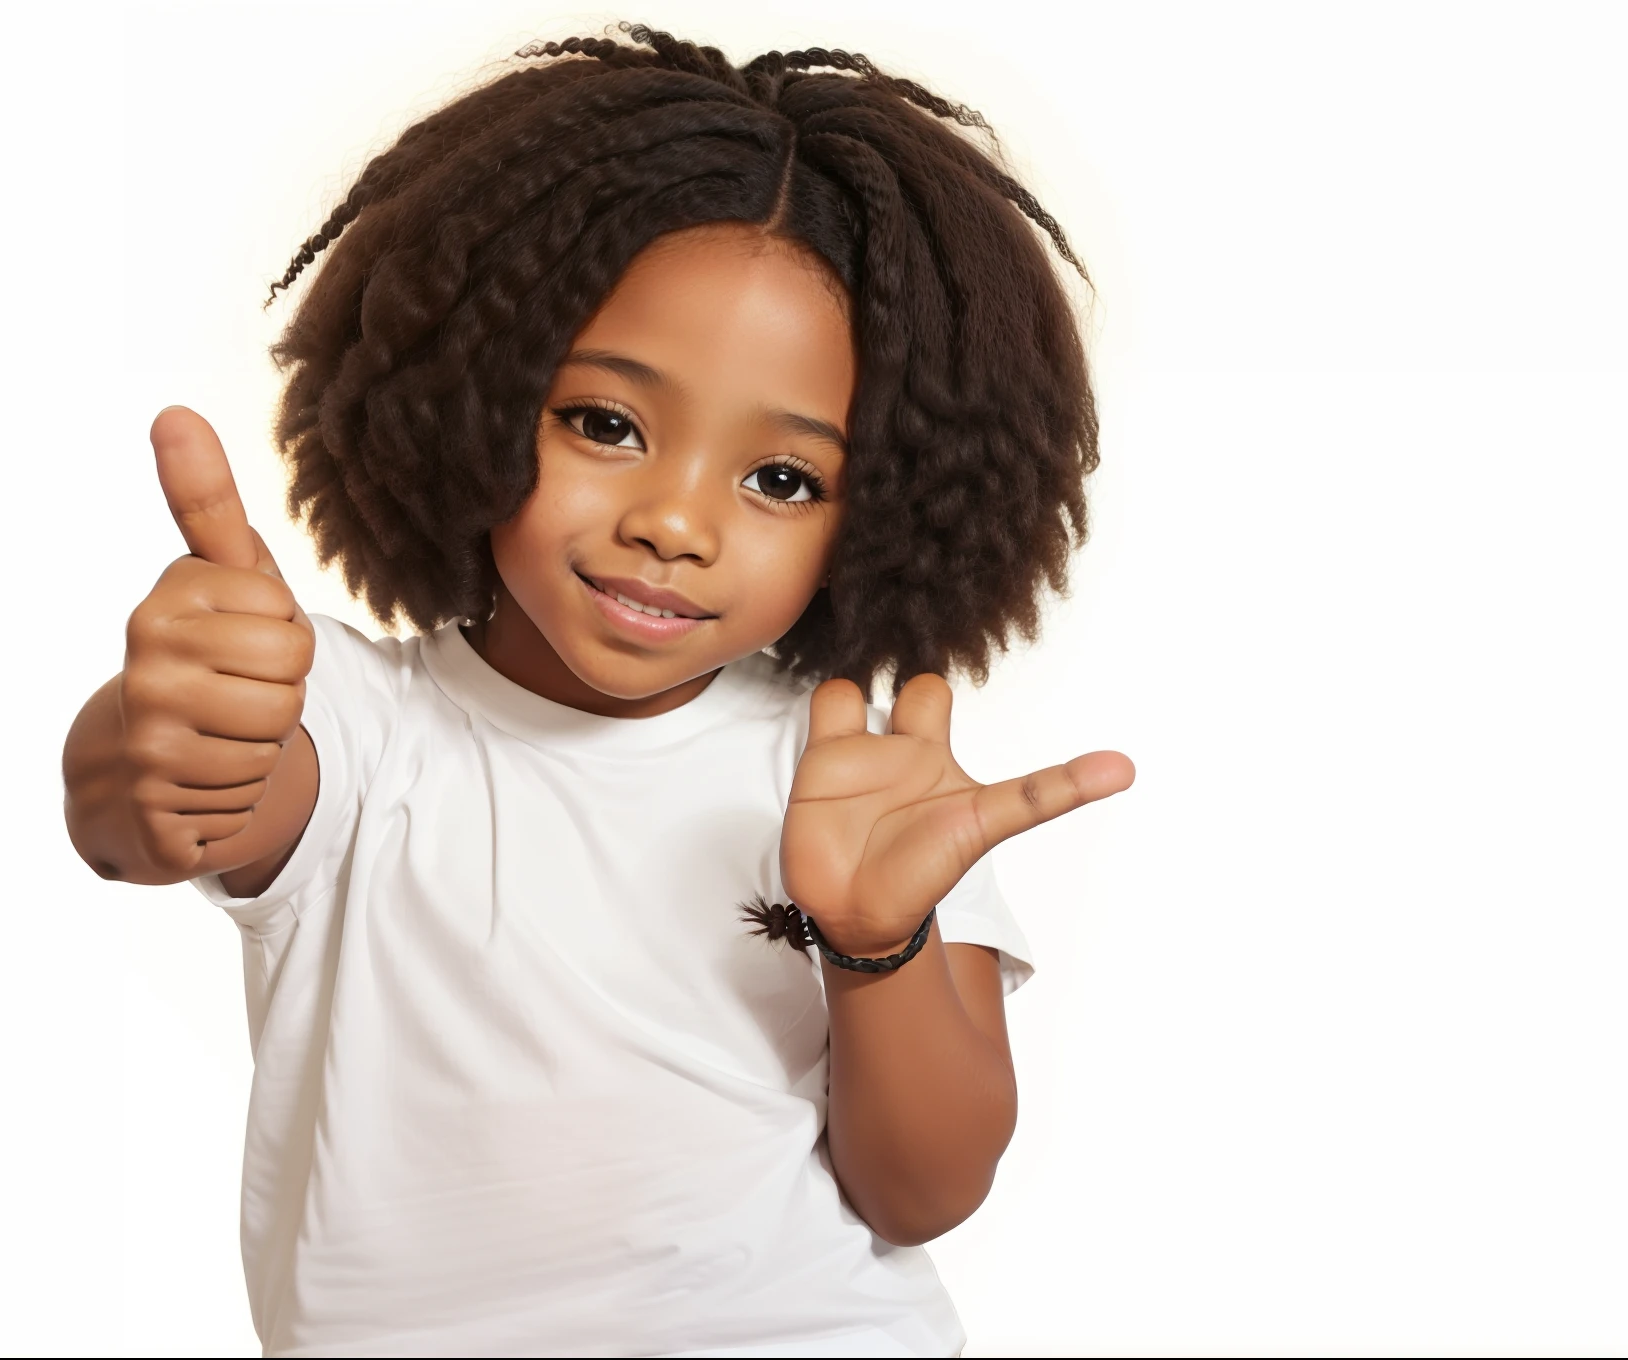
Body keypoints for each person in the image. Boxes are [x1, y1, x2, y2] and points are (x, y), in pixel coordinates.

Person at [63, 24, 1133, 1357]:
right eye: (606, 424)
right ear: (469, 391)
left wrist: (878, 946)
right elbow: (163, 805)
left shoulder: (858, 788)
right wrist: (160, 738)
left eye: (782, 480)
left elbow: (924, 1192)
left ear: (882, 517)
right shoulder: (355, 723)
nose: (676, 523)